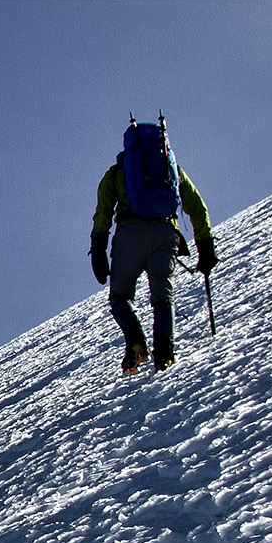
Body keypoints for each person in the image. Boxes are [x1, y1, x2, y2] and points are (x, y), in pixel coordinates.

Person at [90, 121, 216, 374]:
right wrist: (205, 246)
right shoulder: (170, 171)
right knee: (163, 296)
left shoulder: (116, 173)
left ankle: (136, 342)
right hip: (166, 233)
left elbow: (103, 212)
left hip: (130, 235)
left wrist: (98, 248)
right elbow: (197, 207)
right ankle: (165, 354)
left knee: (120, 297)